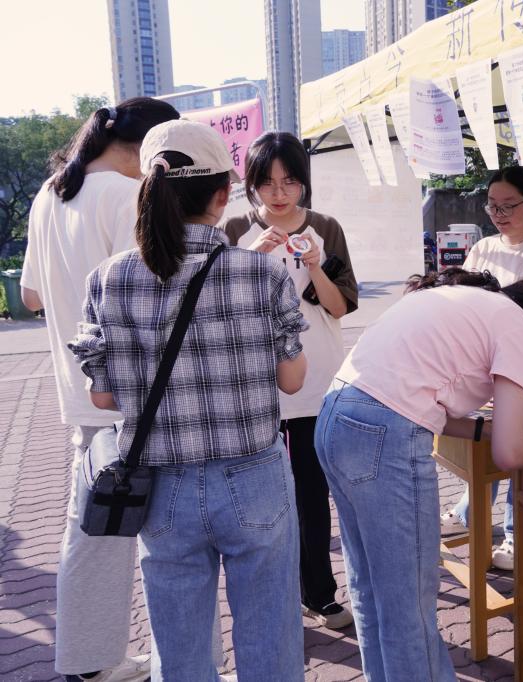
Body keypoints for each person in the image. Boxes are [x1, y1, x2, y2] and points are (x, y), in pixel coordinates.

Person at [68, 120, 308, 681]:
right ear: (223, 195)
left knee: (179, 650)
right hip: (254, 476)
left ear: (148, 191)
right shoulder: (262, 273)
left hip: (162, 486)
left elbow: (102, 396)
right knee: (270, 637)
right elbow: (293, 382)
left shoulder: (108, 279)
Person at [315, 268, 523, 681]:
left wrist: (485, 428)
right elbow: (510, 454)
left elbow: (420, 399)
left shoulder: (464, 301)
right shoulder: (518, 324)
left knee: (370, 586)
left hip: (336, 418)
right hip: (384, 435)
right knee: (408, 603)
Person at [19, 98, 179, 682]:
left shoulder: (50, 194)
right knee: (170, 538)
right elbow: (154, 295)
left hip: (81, 394)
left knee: (91, 530)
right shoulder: (128, 195)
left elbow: (30, 296)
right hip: (138, 396)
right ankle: (181, 662)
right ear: (152, 150)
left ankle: (90, 661)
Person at [223, 131, 358, 631]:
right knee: (259, 500)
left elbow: (340, 306)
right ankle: (273, 596)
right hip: (255, 387)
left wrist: (316, 267)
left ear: (304, 182)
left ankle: (319, 594)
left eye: (290, 182)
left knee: (311, 493)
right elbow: (221, 309)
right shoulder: (235, 228)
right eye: (267, 182)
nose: (279, 193)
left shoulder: (325, 227)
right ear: (251, 183)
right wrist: (251, 260)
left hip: (317, 382)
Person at [439, 165, 523, 571]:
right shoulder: (483, 248)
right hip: (482, 373)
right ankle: (468, 511)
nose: (499, 214)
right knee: (486, 447)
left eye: (508, 206)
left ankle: (522, 534)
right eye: (492, 206)